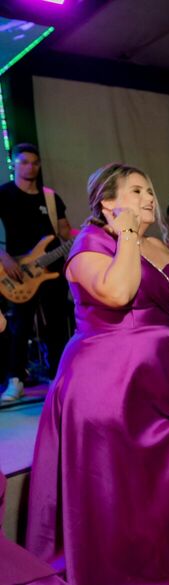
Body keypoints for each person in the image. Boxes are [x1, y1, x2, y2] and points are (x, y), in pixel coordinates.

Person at [25, 163, 169, 585]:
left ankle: (165, 563)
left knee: (157, 477)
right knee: (115, 485)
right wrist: (128, 234)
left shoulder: (159, 245)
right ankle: (117, 580)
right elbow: (118, 292)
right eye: (137, 191)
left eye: (150, 190)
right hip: (104, 387)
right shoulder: (88, 244)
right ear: (107, 202)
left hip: (156, 382)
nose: (150, 198)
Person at [0, 143, 73, 402]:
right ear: (14, 163)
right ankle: (16, 380)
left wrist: (88, 232)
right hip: (19, 272)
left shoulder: (50, 198)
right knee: (20, 326)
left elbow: (65, 231)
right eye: (24, 162)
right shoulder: (4, 194)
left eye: (34, 162)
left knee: (57, 325)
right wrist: (3, 256)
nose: (30, 167)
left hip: (52, 269)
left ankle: (57, 379)